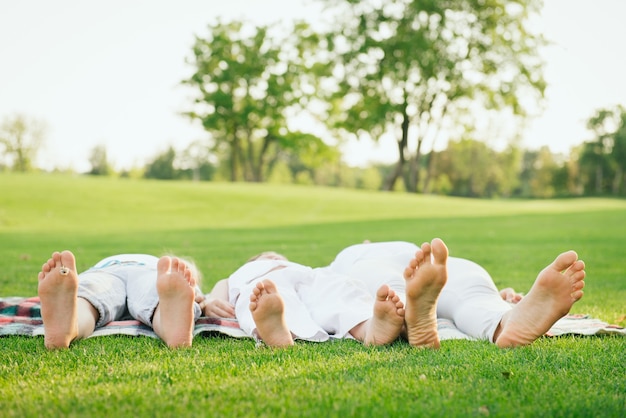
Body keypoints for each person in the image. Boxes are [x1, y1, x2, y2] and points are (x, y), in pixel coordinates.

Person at [203, 238, 586, 349]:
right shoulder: (340, 261)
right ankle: (497, 319)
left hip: (399, 268)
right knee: (467, 290)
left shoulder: (342, 259)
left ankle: (506, 318)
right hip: (414, 259)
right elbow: (219, 291)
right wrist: (208, 298)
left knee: (405, 288)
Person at [326, 239, 587, 348]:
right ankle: (503, 321)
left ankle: (410, 316)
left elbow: (323, 290)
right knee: (472, 292)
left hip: (379, 266)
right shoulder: (345, 259)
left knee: (391, 291)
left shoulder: (343, 259)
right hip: (429, 261)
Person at [224, 252, 407, 348]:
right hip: (267, 283)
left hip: (310, 278)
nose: (273, 257)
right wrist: (212, 302)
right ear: (253, 262)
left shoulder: (298, 267)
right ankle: (281, 331)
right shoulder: (244, 274)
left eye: (277, 256)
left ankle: (370, 327)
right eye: (266, 255)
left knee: (337, 292)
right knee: (267, 298)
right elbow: (219, 290)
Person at [37, 250, 206, 349]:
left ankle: (73, 325)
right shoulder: (159, 268)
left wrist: (200, 301)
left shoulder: (109, 262)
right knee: (155, 297)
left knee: (89, 297)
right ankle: (169, 327)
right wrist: (199, 301)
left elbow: (196, 297)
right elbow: (194, 295)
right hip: (148, 273)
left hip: (106, 272)